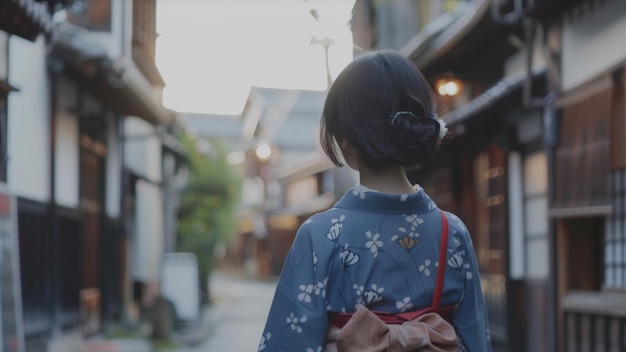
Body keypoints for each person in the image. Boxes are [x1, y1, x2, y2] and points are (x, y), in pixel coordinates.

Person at [258, 50, 491, 351]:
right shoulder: (452, 232)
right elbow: (477, 338)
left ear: (345, 141)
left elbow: (286, 342)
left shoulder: (321, 234)